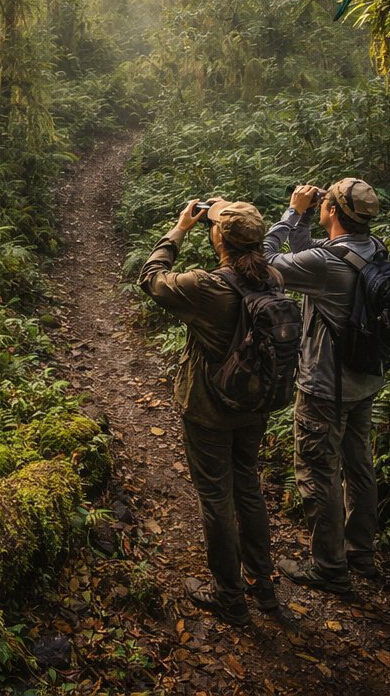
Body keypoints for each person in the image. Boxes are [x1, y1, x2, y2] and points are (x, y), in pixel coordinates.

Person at [139, 198, 281, 625]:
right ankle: (264, 585)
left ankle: (230, 596)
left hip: (209, 406)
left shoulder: (206, 286)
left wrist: (179, 229)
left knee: (216, 496)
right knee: (248, 488)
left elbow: (151, 277)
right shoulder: (272, 278)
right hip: (255, 403)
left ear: (218, 237)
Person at [263, 177, 385, 599]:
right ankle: (360, 553)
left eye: (324, 202)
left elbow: (263, 263)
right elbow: (306, 256)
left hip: (325, 388)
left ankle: (330, 568)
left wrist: (293, 212)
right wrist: (307, 223)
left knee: (318, 473)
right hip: (364, 380)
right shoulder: (371, 250)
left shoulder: (326, 264)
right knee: (358, 466)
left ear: (331, 211)